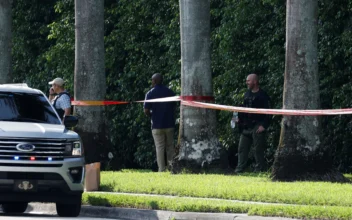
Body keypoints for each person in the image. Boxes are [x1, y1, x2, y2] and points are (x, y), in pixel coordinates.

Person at [235, 73, 270, 173]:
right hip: (246, 126)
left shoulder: (263, 95)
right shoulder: (246, 94)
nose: (247, 82)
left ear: (255, 81)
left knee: (258, 149)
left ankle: (260, 169)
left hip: (257, 125)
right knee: (242, 148)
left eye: (248, 81)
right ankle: (240, 169)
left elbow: (269, 112)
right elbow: (244, 110)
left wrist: (264, 125)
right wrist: (239, 119)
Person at [144, 73, 176, 172]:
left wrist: (151, 115)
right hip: (169, 123)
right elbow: (174, 106)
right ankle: (171, 167)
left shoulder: (150, 93)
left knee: (160, 147)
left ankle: (161, 169)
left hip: (157, 125)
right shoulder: (170, 92)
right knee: (170, 146)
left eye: (152, 80)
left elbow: (146, 110)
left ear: (155, 81)